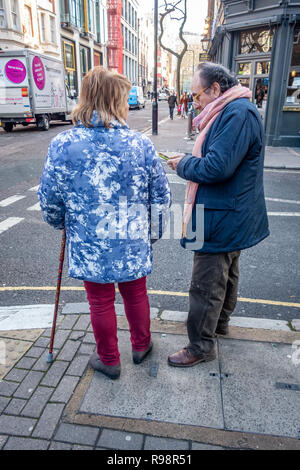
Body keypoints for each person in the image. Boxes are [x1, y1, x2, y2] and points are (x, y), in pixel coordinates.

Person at [38, 67, 171, 380]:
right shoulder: (141, 145)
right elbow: (161, 198)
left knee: (99, 301)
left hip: (89, 240)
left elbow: (50, 199)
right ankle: (141, 345)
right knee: (136, 293)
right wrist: (151, 235)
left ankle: (109, 359)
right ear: (117, 101)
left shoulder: (63, 145)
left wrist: (61, 222)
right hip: (131, 238)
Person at [167, 62, 269, 367]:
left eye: (197, 96)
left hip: (222, 215)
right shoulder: (232, 111)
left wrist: (183, 163)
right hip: (229, 211)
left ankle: (200, 345)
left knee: (206, 283)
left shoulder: (236, 114)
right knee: (226, 273)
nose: (194, 102)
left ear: (215, 89)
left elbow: (216, 167)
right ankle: (220, 324)